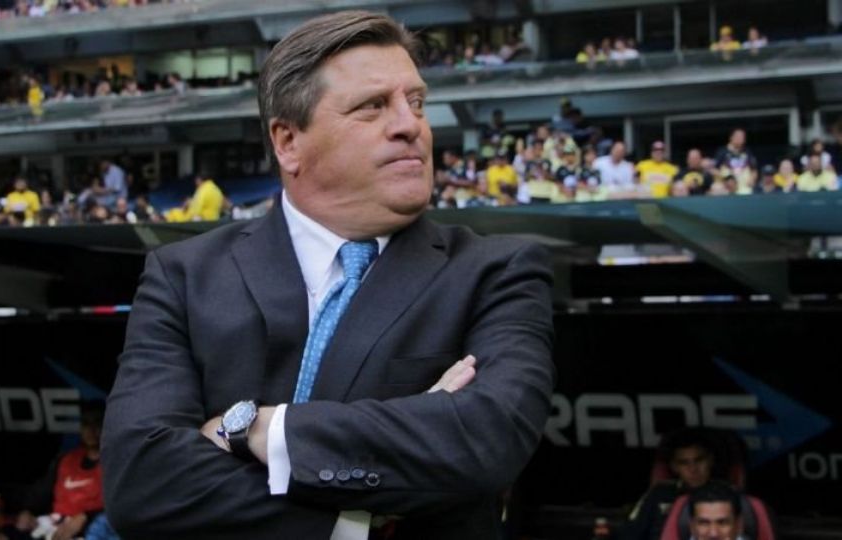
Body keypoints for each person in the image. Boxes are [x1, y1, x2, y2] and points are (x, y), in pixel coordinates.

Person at [102, 10, 555, 540]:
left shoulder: (496, 272)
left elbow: (485, 439)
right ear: (288, 142)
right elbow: (141, 481)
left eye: (416, 102)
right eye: (372, 106)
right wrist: (354, 522)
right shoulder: (184, 275)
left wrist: (257, 429)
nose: (410, 125)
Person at [12, 402, 117, 540]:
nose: (91, 429)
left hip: (95, 532)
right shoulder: (65, 460)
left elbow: (125, 506)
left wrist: (87, 517)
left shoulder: (118, 462)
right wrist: (27, 511)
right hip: (55, 529)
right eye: (86, 423)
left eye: (97, 423)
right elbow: (38, 494)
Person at [618, 431, 716, 540]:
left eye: (699, 460)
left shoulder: (726, 494)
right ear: (674, 467)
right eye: (684, 463)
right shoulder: (659, 494)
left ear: (710, 460)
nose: (693, 469)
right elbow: (629, 533)